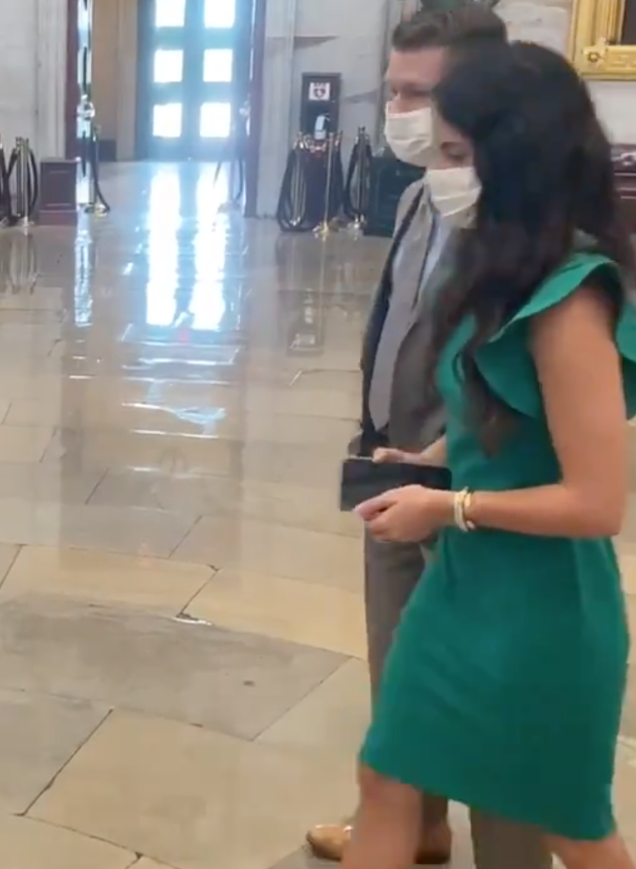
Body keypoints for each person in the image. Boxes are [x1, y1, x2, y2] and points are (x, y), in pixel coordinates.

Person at [346, 41, 636, 869]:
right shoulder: (499, 268)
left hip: (541, 609)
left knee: (571, 825)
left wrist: (451, 505)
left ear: (519, 160)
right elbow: (494, 411)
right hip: (463, 591)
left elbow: (595, 500)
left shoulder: (572, 299)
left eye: (458, 155)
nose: (443, 173)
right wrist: (433, 456)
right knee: (386, 775)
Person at [306, 8, 550, 868]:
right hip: (393, 468)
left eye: (422, 92)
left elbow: (531, 393)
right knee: (400, 674)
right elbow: (403, 325)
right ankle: (417, 823)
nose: (401, 110)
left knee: (487, 707)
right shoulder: (416, 196)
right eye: (394, 89)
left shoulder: (526, 229)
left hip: (475, 492)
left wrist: (450, 469)